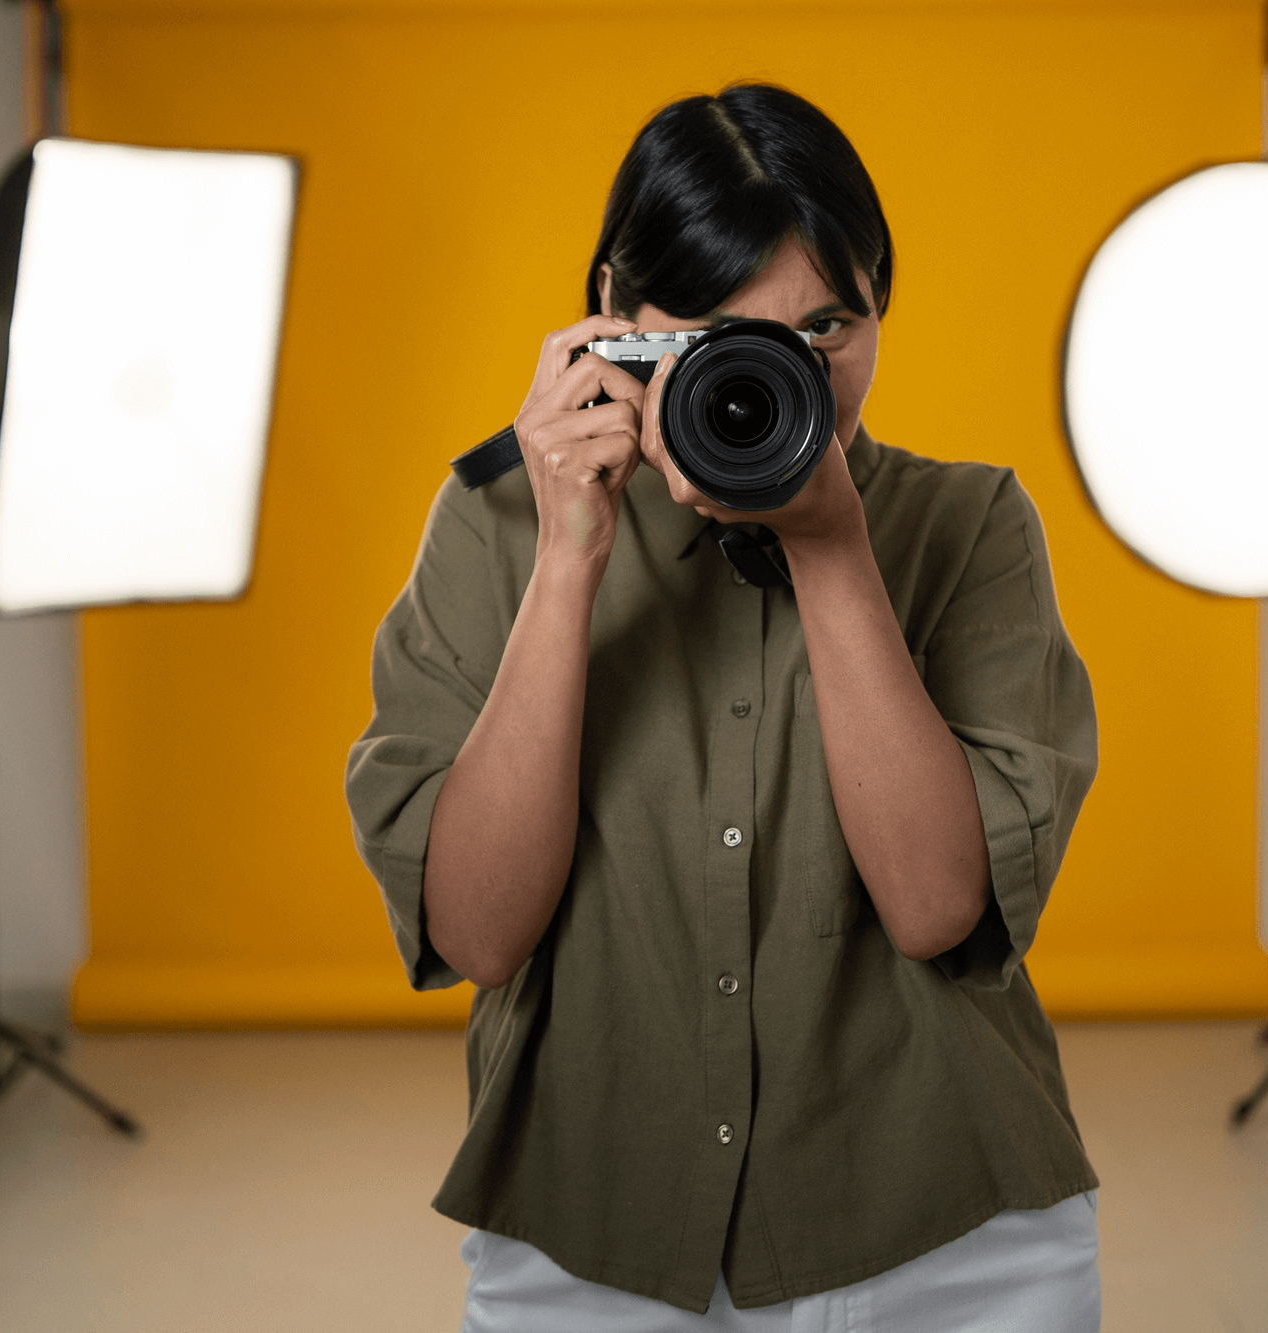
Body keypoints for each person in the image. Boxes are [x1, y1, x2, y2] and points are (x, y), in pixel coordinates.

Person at [346, 83, 1101, 1331]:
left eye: (825, 329)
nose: (776, 379)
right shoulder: (496, 527)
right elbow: (478, 933)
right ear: (611, 318)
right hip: (591, 1238)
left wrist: (830, 545)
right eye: (716, 335)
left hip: (949, 1242)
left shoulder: (966, 526)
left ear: (877, 308)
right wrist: (569, 558)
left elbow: (933, 905)